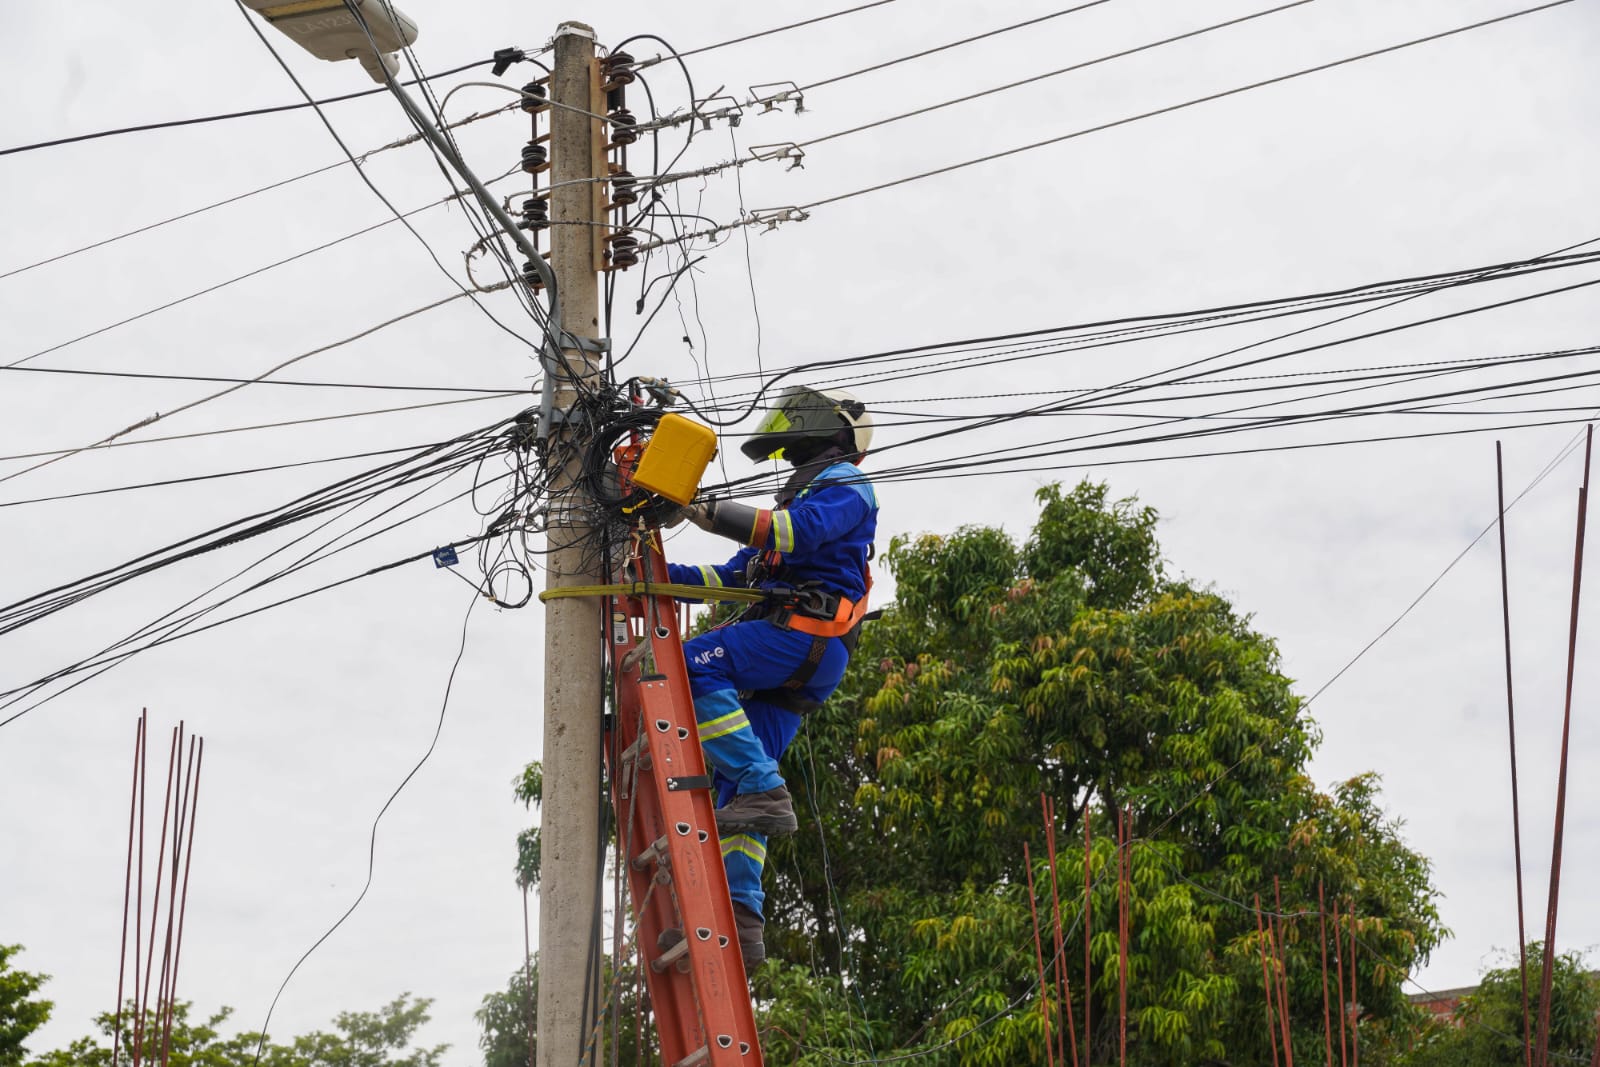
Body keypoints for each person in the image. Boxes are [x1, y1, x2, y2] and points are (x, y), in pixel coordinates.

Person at [665, 385, 877, 971]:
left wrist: (711, 513)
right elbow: (731, 576)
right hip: (803, 652)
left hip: (803, 636)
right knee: (739, 791)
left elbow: (793, 534)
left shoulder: (846, 486)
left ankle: (764, 788)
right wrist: (656, 569)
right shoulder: (794, 501)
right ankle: (743, 918)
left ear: (832, 430)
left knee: (685, 665)